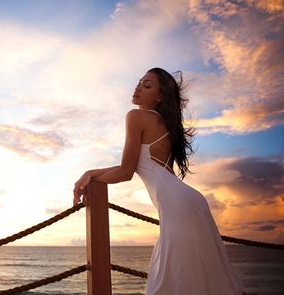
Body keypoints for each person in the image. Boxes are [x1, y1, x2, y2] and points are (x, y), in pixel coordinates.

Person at [73, 68, 242, 295]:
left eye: (147, 85)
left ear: (160, 97)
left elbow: (126, 171)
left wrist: (91, 176)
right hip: (190, 201)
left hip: (176, 206)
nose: (138, 87)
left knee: (173, 281)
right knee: (197, 279)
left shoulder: (135, 117)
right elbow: (138, 165)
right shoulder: (164, 123)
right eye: (140, 82)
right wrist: (92, 173)